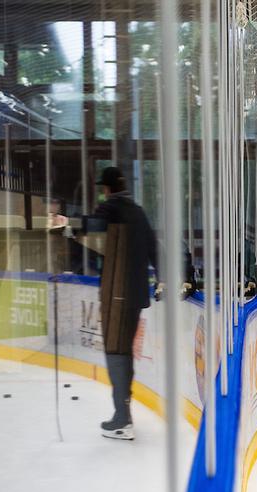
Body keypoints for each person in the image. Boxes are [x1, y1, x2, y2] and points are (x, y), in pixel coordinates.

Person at [91, 166, 195, 440]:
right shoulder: (137, 211)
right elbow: (155, 249)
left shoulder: (109, 210)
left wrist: (67, 226)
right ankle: (123, 412)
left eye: (103, 187)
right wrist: (162, 278)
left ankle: (122, 418)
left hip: (115, 294)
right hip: (136, 295)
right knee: (123, 351)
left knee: (116, 352)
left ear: (107, 188)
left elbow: (90, 234)